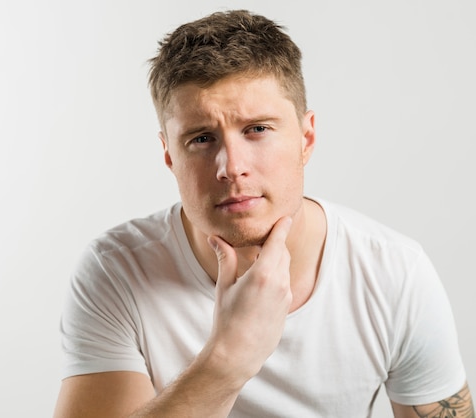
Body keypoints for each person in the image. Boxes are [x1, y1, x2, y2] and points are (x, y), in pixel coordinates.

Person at [53, 9, 473, 417]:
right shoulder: (117, 271)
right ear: (168, 155)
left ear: (306, 138)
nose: (231, 166)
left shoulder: (394, 272)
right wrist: (228, 358)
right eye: (201, 138)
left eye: (257, 129)